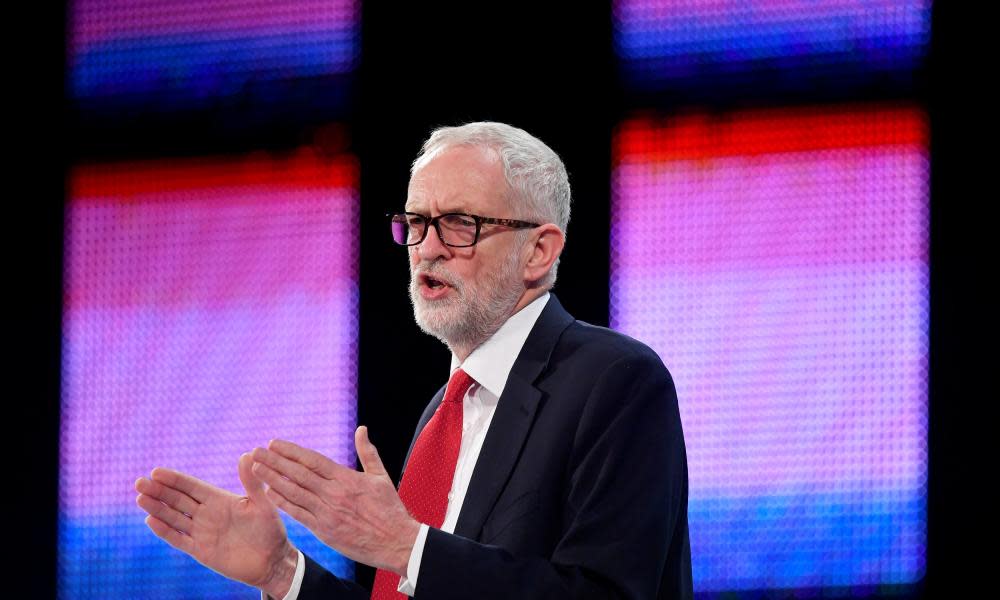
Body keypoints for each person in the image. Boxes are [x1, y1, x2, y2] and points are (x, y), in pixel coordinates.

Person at [135, 122, 693, 599]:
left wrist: (405, 546)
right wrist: (284, 573)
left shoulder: (616, 381)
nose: (427, 248)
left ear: (539, 251)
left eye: (459, 224)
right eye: (417, 223)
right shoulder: (441, 412)